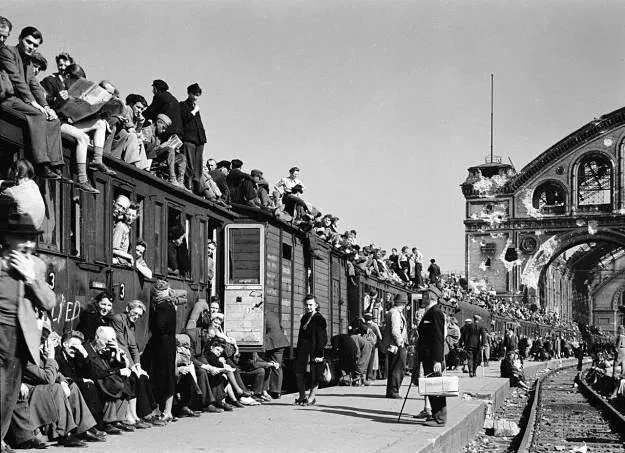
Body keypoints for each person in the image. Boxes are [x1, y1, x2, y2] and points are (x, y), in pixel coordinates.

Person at [0, 203, 56, 452]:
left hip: (19, 335)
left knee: (9, 392)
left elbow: (49, 302)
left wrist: (30, 279)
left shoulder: (36, 266)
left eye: (31, 240)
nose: (28, 245)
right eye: (21, 238)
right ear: (6, 238)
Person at [0, 26, 64, 179]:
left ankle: (55, 164)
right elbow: (16, 79)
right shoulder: (7, 51)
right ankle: (41, 164)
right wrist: (33, 103)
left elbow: (34, 85)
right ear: (20, 38)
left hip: (21, 101)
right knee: (37, 114)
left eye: (35, 45)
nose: (31, 47)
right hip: (8, 100)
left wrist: (47, 107)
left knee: (53, 120)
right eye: (29, 42)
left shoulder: (28, 62)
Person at [110, 300, 156, 427]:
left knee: (142, 376)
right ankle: (133, 415)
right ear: (127, 309)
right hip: (115, 358)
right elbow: (122, 345)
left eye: (139, 315)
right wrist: (132, 367)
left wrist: (138, 366)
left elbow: (133, 347)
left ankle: (142, 413)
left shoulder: (131, 325)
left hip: (125, 358)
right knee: (133, 377)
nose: (136, 317)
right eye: (134, 313)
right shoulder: (118, 320)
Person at [141, 281, 177, 423]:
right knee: (169, 376)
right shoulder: (171, 305)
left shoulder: (161, 306)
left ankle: (160, 409)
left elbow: (159, 326)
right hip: (169, 344)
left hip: (161, 345)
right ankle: (168, 410)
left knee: (158, 376)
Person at [416, 285, 447, 427]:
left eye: (425, 295)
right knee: (431, 387)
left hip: (432, 358)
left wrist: (437, 360)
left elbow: (438, 338)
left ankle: (440, 419)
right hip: (427, 356)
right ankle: (435, 415)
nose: (423, 297)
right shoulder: (430, 312)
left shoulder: (436, 313)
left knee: (436, 388)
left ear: (431, 297)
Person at [294, 295, 327, 406]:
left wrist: (319, 353)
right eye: (307, 305)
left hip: (314, 351)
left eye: (310, 305)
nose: (308, 307)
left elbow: (322, 338)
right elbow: (300, 336)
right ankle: (302, 396)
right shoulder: (304, 318)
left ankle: (311, 398)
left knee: (314, 375)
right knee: (299, 373)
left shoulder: (319, 319)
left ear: (316, 305)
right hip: (303, 350)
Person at [0, 159, 45, 230]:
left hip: (21, 229)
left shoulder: (12, 190)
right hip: (36, 227)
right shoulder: (33, 184)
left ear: (16, 172)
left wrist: (3, 182)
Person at [142, 113, 184, 186]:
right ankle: (172, 178)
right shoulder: (147, 131)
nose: (164, 130)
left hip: (156, 158)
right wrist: (162, 146)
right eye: (163, 127)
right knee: (169, 150)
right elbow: (146, 150)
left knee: (181, 157)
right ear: (158, 122)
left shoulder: (158, 136)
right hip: (147, 160)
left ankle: (180, 182)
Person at [381, 294, 408, 399]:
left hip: (393, 345)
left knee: (394, 368)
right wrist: (400, 342)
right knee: (398, 368)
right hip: (396, 345)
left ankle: (391, 391)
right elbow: (395, 330)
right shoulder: (395, 313)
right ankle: (394, 391)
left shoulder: (393, 312)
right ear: (403, 304)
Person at [179, 83, 206, 187]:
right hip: (189, 138)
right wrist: (193, 111)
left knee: (198, 164)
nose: (196, 97)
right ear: (189, 93)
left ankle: (196, 183)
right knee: (189, 163)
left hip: (199, 139)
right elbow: (185, 118)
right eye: (194, 94)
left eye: (197, 95)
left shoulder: (196, 107)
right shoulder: (182, 105)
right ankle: (188, 182)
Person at [262, 311, 289, 399]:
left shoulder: (261, 315)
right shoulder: (272, 314)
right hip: (280, 342)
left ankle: (272, 391)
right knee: (277, 366)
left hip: (272, 343)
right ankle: (275, 391)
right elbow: (281, 328)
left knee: (272, 366)